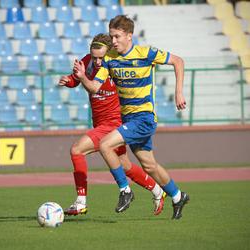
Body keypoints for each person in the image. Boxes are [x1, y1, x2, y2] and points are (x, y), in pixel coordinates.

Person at [73, 15, 190, 220]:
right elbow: (94, 88)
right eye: (111, 36)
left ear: (129, 35)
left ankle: (125, 190)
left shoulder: (146, 53)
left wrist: (179, 92)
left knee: (105, 145)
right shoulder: (109, 59)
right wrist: (82, 77)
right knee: (149, 166)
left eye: (117, 36)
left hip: (143, 118)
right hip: (128, 120)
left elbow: (178, 61)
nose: (113, 41)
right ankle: (178, 196)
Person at [59, 33, 166, 215]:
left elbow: (93, 86)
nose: (98, 62)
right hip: (100, 122)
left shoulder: (114, 66)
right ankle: (158, 190)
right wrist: (69, 80)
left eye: (102, 57)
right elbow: (76, 78)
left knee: (76, 150)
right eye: (95, 57)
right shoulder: (88, 61)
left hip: (114, 122)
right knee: (124, 166)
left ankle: (81, 201)